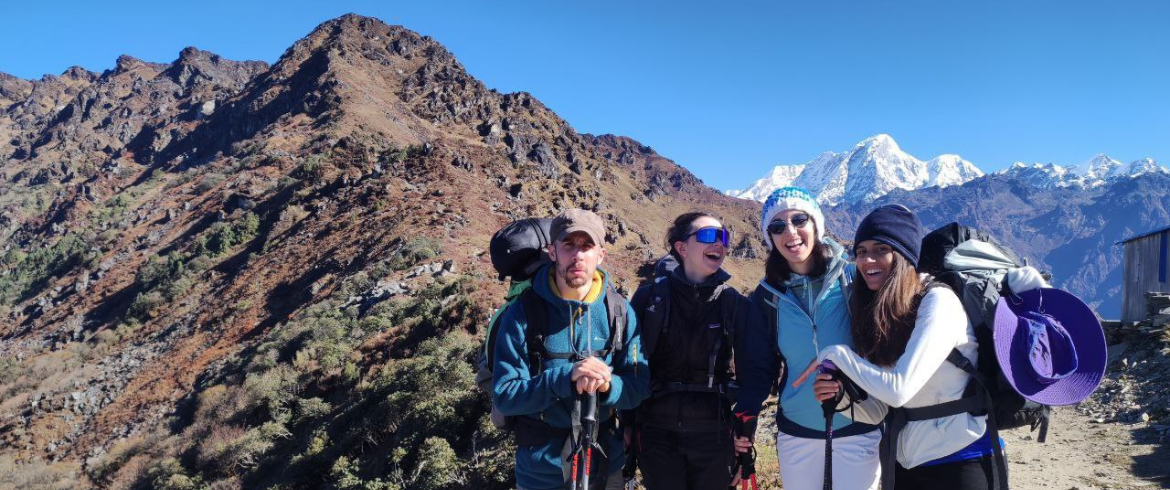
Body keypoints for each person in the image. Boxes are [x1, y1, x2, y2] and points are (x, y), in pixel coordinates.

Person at [792, 204, 1030, 490]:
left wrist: (836, 354)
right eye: (861, 251)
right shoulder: (886, 311)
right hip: (905, 464)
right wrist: (840, 397)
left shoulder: (939, 302)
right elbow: (880, 410)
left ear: (904, 254)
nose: (868, 260)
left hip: (964, 461)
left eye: (881, 249)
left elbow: (898, 389)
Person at [734, 187, 882, 490]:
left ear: (816, 224)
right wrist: (745, 416)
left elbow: (883, 346)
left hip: (859, 423)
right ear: (771, 238)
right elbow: (761, 367)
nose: (790, 232)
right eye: (778, 226)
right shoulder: (767, 296)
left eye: (799, 220)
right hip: (798, 430)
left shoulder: (853, 280)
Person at [492, 208, 651, 490]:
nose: (577, 255)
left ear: (600, 255)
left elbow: (639, 387)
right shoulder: (522, 314)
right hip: (541, 474)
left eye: (587, 246)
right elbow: (505, 395)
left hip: (606, 466)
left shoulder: (619, 312)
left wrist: (608, 385)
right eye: (568, 245)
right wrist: (565, 378)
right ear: (553, 252)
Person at [627, 212, 749, 490]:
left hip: (715, 434)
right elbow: (630, 365)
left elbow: (752, 372)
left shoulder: (735, 304)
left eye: (723, 237)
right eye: (708, 235)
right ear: (681, 248)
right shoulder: (649, 298)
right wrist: (627, 424)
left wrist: (744, 435)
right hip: (656, 433)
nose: (719, 243)